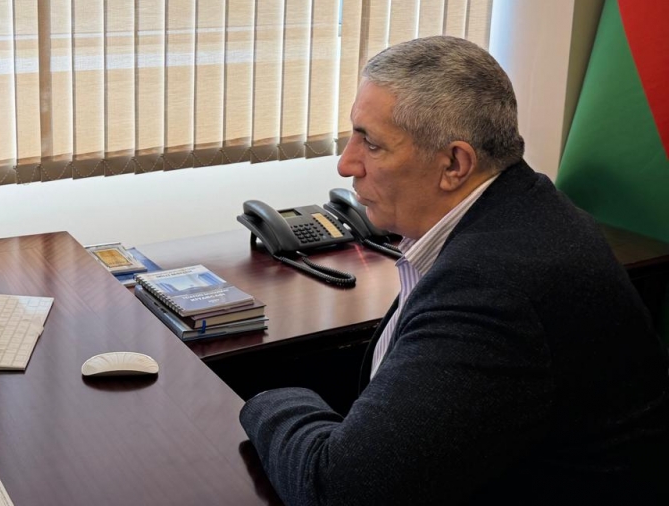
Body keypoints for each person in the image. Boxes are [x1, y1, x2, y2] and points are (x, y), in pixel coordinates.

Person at [240, 36, 669, 504]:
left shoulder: (493, 287)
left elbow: (339, 491)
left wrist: (265, 398)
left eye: (372, 144)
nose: (346, 164)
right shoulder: (526, 206)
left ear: (454, 164)